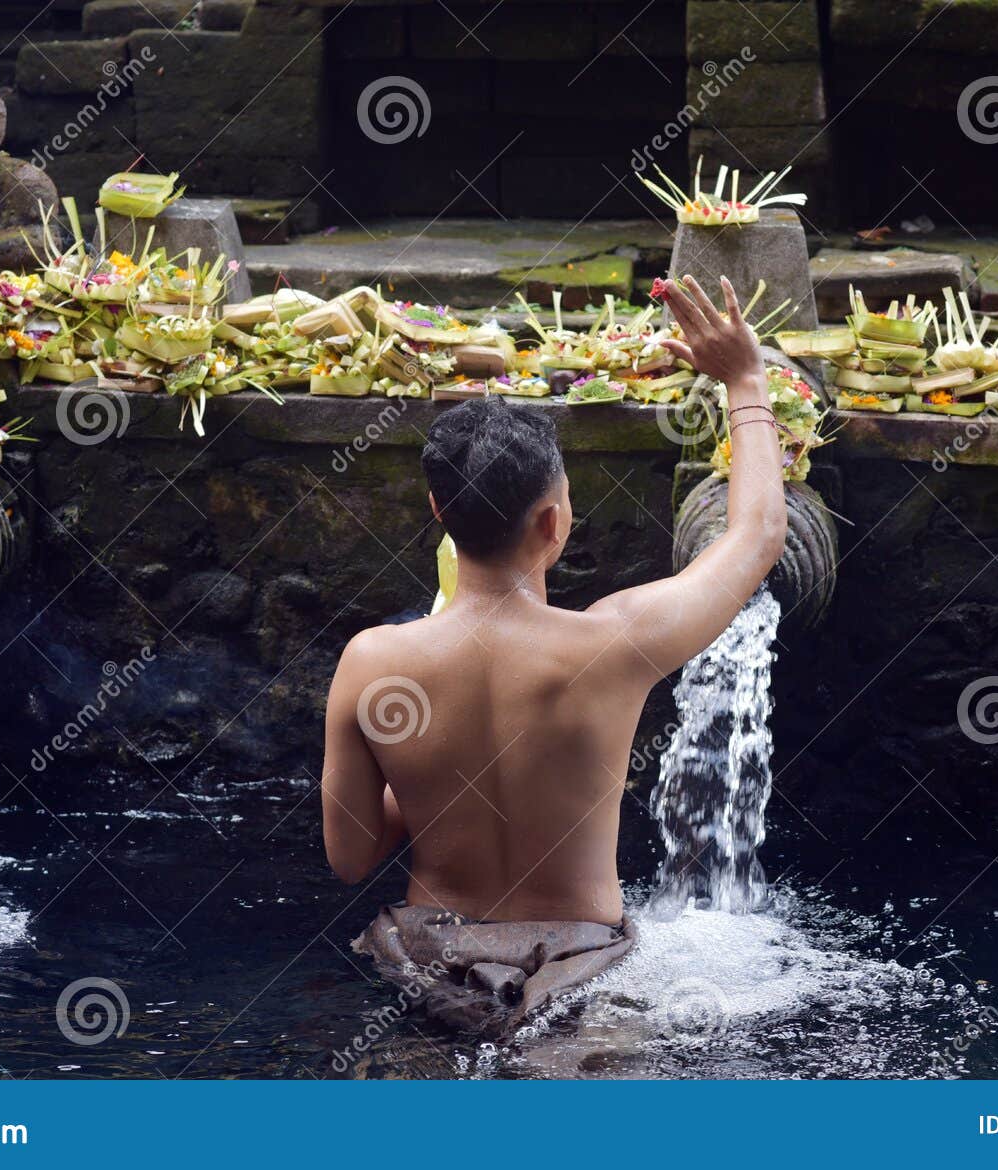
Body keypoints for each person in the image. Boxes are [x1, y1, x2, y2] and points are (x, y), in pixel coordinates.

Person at [323, 276, 787, 1035]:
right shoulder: (614, 642)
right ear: (553, 520)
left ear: (439, 512)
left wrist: (430, 769)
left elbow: (351, 858)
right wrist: (745, 381)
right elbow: (758, 537)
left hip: (427, 968)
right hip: (577, 977)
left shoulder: (372, 663)